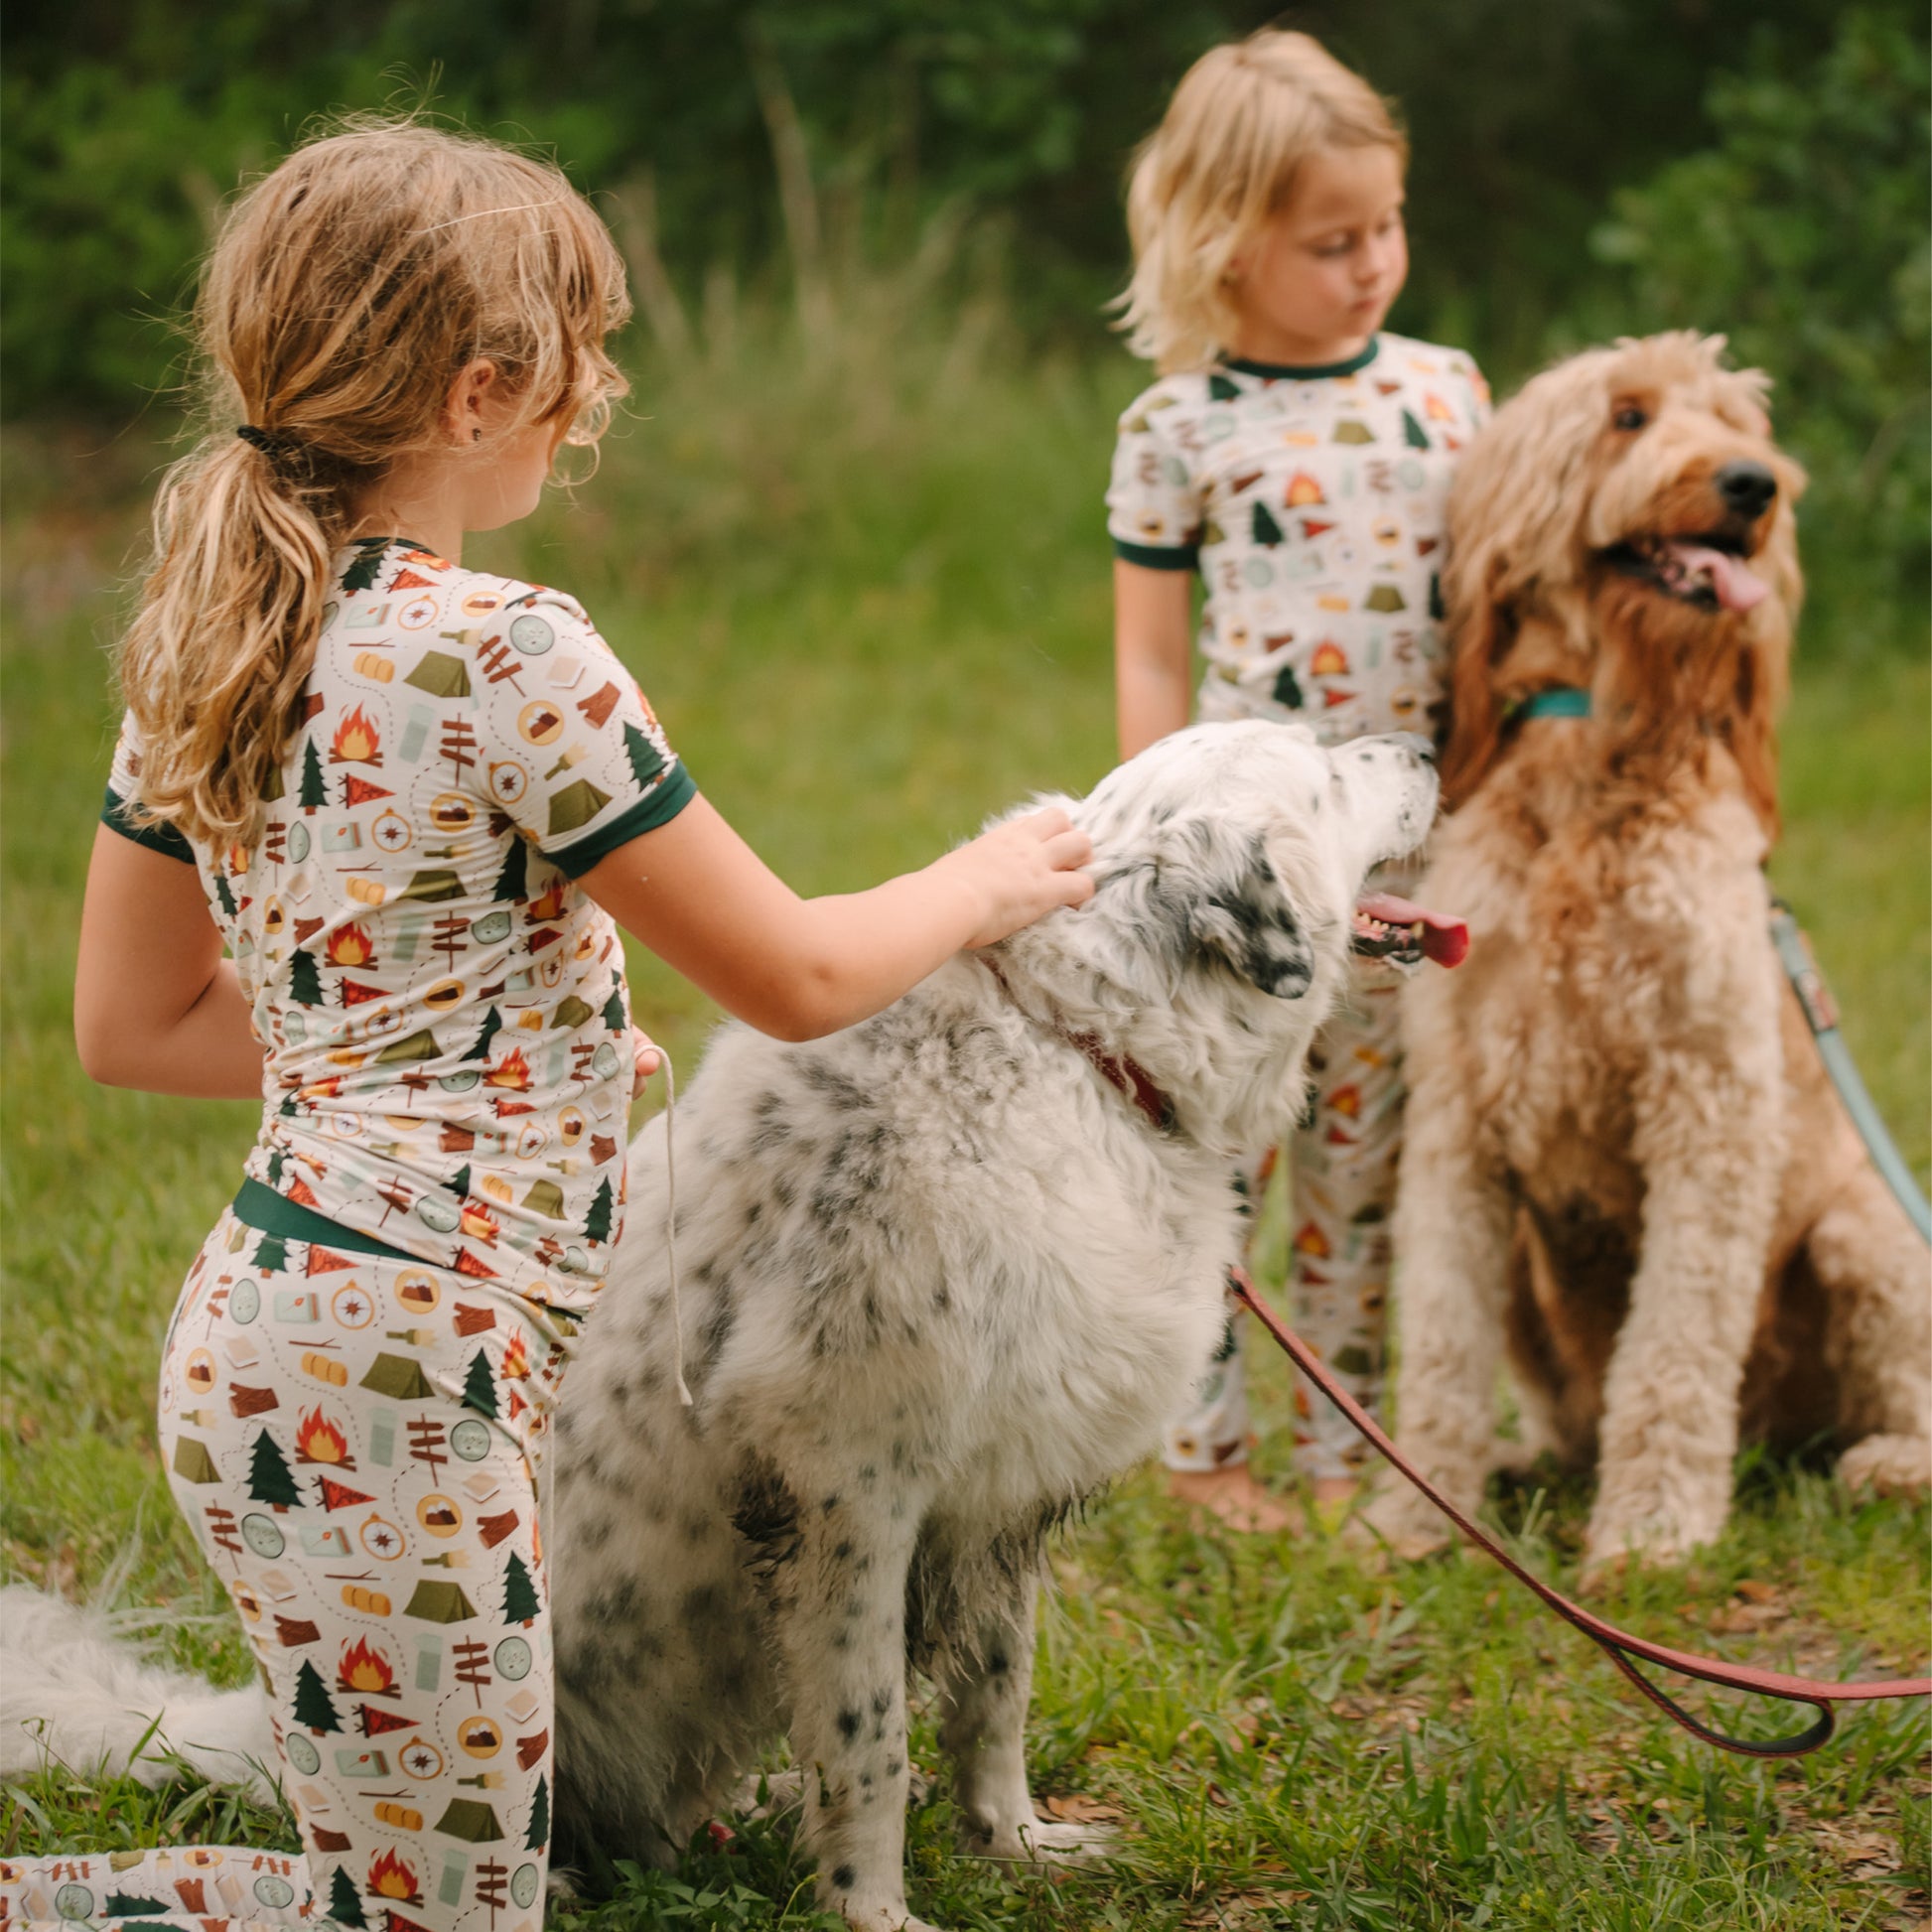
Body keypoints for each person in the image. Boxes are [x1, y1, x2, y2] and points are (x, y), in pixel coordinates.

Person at [7, 121, 1090, 1932]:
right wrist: (994, 877)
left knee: (427, 1888)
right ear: (484, 386)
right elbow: (801, 975)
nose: (607, 386)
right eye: (590, 344)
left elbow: (135, 1024)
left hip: (287, 1335)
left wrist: (472, 1064)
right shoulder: (510, 652)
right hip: (388, 1373)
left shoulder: (206, 639)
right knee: (432, 1915)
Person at [1107, 31, 1489, 1531]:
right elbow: (1151, 656)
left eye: (1385, 226)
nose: (1371, 263)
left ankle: (1349, 1448)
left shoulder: (1448, 392)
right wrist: (1144, 811)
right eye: (1331, 241)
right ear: (1224, 242)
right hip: (1257, 860)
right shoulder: (1178, 427)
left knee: (1368, 1152)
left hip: (1414, 843)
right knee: (1223, 1147)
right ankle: (1204, 1447)